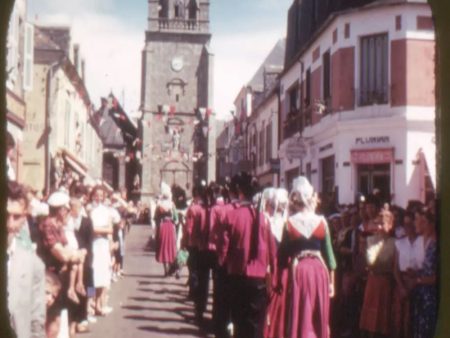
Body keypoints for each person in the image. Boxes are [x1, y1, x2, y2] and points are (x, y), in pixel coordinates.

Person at [277, 176, 336, 338]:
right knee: (318, 312)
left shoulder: (289, 223)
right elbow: (330, 256)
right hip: (319, 271)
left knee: (301, 311)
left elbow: (282, 256)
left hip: (300, 271)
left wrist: (279, 280)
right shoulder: (322, 222)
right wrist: (332, 282)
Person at [221, 172, 276, 338]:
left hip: (237, 275)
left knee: (239, 321)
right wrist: (272, 276)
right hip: (257, 278)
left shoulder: (231, 216)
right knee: (256, 324)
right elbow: (272, 251)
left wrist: (223, 265)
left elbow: (225, 248)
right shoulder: (263, 219)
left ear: (240, 192)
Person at [37, 190, 86, 338]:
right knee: (50, 322)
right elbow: (62, 254)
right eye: (67, 209)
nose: (69, 212)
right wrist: (77, 254)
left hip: (58, 277)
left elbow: (68, 249)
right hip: (49, 278)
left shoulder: (57, 225)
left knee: (56, 320)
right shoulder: (48, 225)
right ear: (60, 210)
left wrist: (74, 254)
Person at [7, 181, 46, 338]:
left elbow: (36, 323)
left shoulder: (32, 264)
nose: (9, 224)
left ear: (24, 218)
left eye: (16, 217)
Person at [359, 200, 396, 338]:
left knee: (384, 319)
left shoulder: (395, 242)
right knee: (371, 318)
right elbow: (369, 262)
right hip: (373, 280)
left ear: (390, 224)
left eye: (383, 223)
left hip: (387, 282)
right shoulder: (370, 240)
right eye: (377, 223)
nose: (379, 227)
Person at [392, 211, 424, 338]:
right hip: (402, 282)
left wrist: (415, 280)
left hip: (418, 282)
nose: (408, 227)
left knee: (412, 319)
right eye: (405, 224)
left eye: (410, 224)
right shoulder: (399, 243)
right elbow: (395, 268)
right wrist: (402, 286)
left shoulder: (422, 241)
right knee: (399, 319)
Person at [89, 185, 119, 316]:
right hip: (92, 245)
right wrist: (102, 230)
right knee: (91, 276)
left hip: (103, 245)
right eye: (96, 195)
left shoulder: (106, 211)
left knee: (103, 276)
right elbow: (90, 230)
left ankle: (100, 304)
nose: (99, 198)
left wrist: (99, 230)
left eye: (101, 195)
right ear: (92, 195)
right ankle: (90, 303)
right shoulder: (89, 209)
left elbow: (110, 229)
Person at [410, 209, 437, 338]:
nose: (415, 223)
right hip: (422, 295)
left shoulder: (435, 246)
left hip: (430, 296)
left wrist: (418, 280)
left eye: (418, 220)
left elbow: (436, 277)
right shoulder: (425, 243)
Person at [154, 182, 178, 276]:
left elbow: (156, 218)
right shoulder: (172, 205)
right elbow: (176, 218)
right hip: (170, 226)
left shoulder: (159, 206)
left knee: (163, 247)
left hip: (162, 226)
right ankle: (171, 268)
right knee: (171, 246)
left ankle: (166, 270)